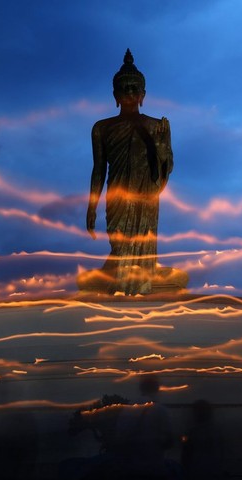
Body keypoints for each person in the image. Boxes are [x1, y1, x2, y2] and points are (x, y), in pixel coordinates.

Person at [86, 49, 174, 295]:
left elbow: (166, 168)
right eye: (124, 89)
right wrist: (92, 206)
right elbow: (98, 169)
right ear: (115, 94)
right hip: (117, 194)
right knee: (118, 241)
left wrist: (159, 145)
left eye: (135, 89)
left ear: (143, 94)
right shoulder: (101, 128)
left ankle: (138, 286)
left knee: (141, 241)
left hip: (145, 195)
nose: (130, 94)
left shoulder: (156, 126)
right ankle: (119, 284)